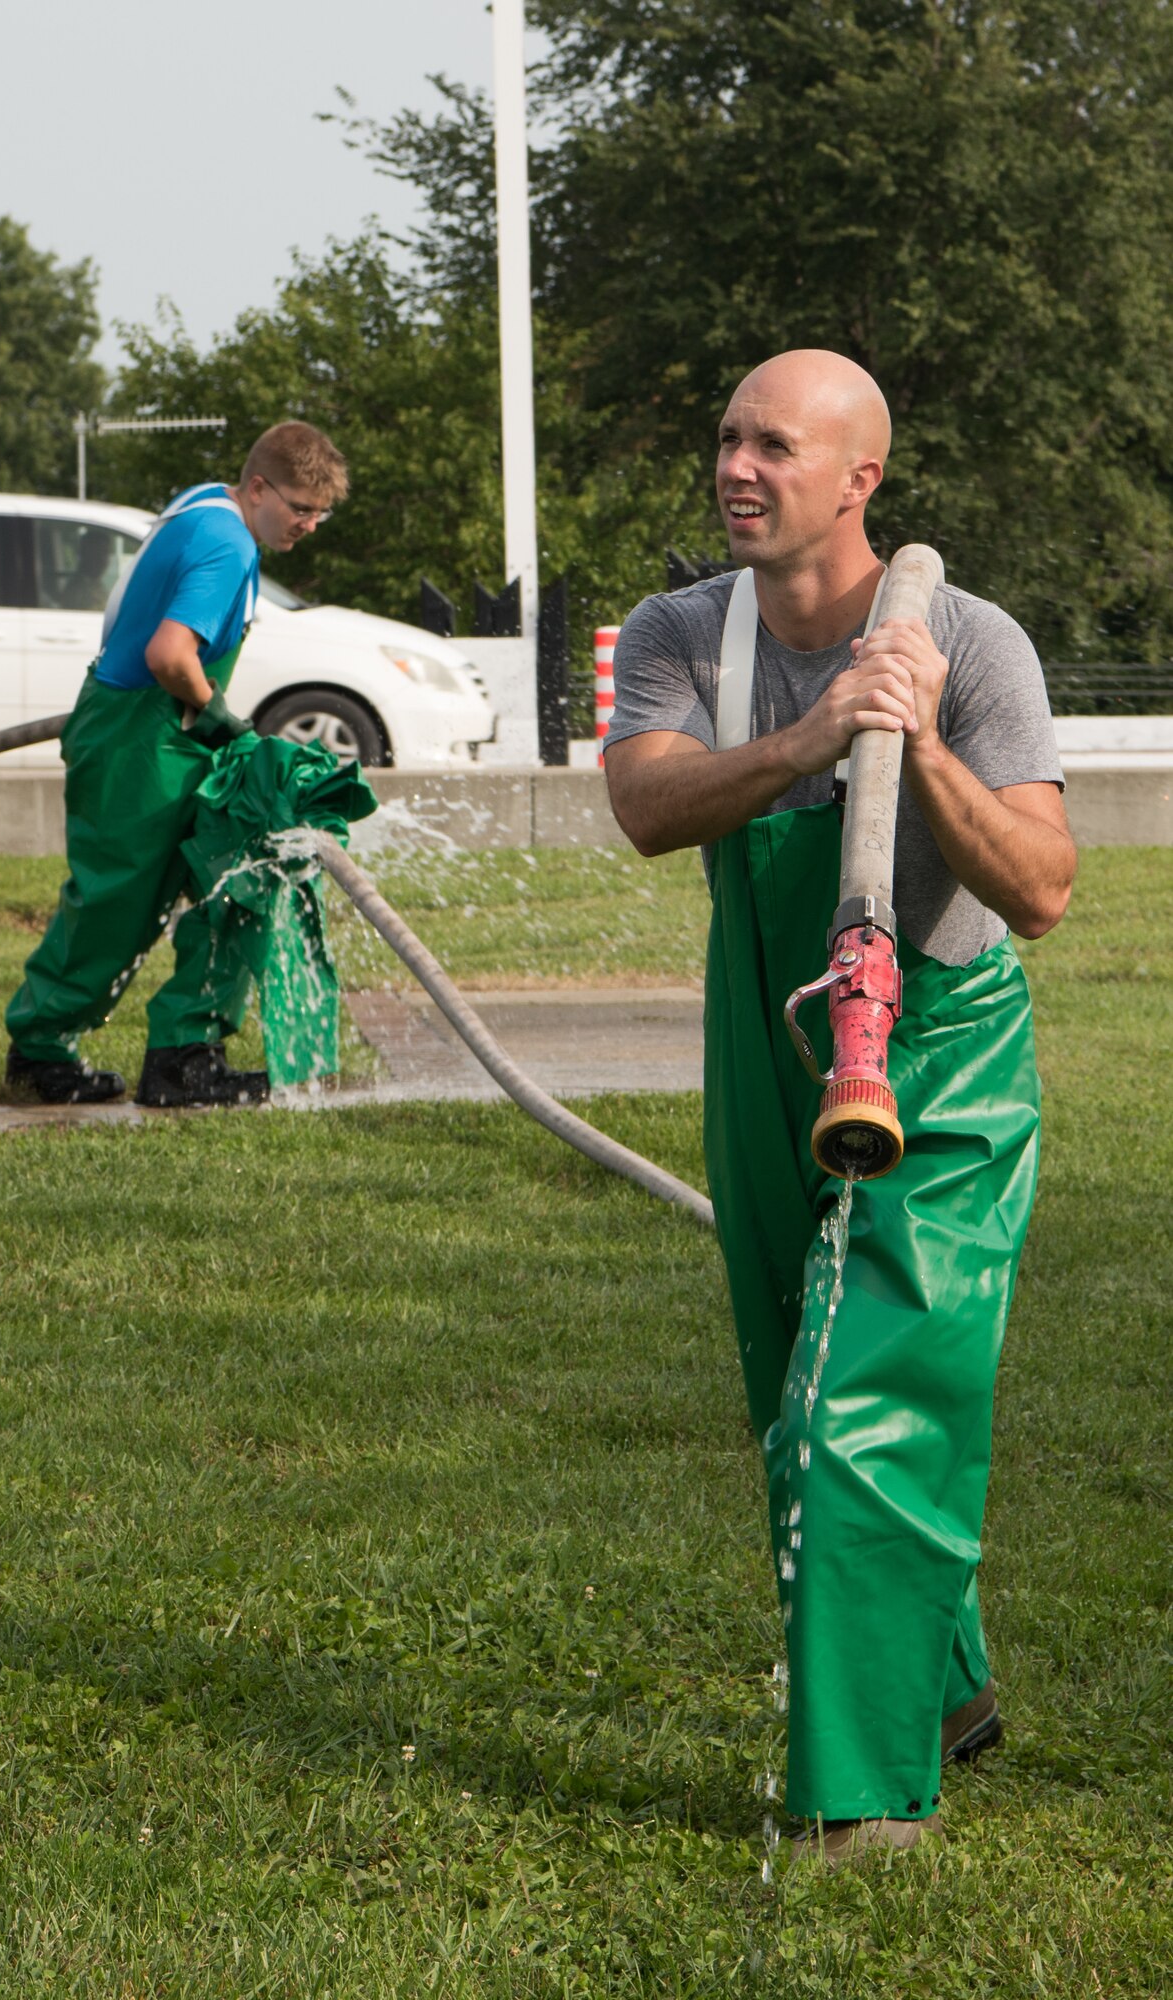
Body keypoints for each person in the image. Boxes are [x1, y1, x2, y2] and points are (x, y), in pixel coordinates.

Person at [604, 350, 1076, 1862]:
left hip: (940, 1047)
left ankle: (865, 1801)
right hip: (766, 1037)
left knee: (861, 1406)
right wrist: (823, 732)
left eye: (776, 448)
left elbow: (1045, 888)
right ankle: (940, 1687)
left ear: (860, 480)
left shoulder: (973, 641)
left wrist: (916, 739)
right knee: (787, 1391)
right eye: (729, 439)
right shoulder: (687, 631)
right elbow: (647, 807)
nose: (738, 469)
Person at [5, 421, 349, 1107]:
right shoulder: (225, 544)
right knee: (118, 905)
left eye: (321, 513)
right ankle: (42, 1049)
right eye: (300, 509)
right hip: (141, 740)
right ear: (258, 488)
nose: (309, 525)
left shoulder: (206, 504)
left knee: (244, 876)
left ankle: (185, 1057)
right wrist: (221, 719)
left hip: (154, 732)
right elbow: (169, 656)